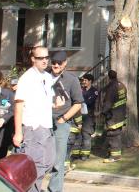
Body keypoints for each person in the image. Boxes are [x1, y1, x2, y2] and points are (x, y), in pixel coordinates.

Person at [13, 46, 63, 192]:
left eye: (47, 57)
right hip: (32, 128)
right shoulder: (27, 78)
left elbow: (44, 102)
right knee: (36, 165)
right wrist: (18, 132)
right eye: (41, 58)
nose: (45, 61)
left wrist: (55, 105)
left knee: (49, 162)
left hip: (47, 127)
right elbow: (18, 106)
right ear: (33, 59)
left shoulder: (47, 77)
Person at [48, 51, 83, 192]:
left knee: (58, 161)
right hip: (42, 122)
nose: (56, 65)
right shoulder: (43, 76)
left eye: (59, 63)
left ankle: (55, 190)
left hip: (60, 123)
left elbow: (78, 103)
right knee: (38, 158)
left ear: (65, 63)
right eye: (54, 62)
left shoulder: (72, 79)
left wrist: (64, 118)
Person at [101, 69, 127, 163]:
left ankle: (114, 156)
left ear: (109, 77)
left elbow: (108, 103)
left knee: (113, 135)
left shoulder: (112, 87)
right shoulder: (122, 85)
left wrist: (103, 112)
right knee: (117, 134)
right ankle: (115, 153)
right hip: (121, 114)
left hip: (113, 116)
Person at [0, 69, 14, 162]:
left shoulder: (8, 94)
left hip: (0, 136)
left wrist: (3, 119)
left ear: (0, 82)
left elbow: (13, 110)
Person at [79, 73, 99, 160]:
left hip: (89, 116)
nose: (83, 82)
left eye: (85, 80)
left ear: (90, 81)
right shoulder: (81, 90)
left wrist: (81, 101)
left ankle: (85, 154)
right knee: (78, 134)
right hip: (79, 115)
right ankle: (77, 153)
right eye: (82, 80)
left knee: (86, 135)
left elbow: (89, 102)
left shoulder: (94, 91)